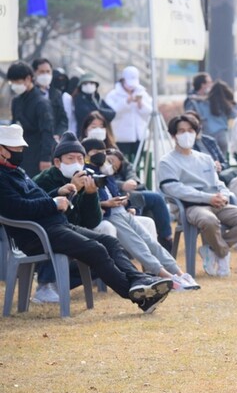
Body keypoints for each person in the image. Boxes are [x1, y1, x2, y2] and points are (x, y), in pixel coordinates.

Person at [0, 124, 173, 313]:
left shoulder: (16, 171)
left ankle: (139, 280)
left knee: (109, 242)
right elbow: (16, 208)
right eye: (17, 149)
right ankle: (137, 295)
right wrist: (53, 203)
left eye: (21, 148)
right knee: (96, 250)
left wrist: (58, 192)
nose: (21, 152)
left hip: (55, 225)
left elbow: (34, 200)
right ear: (2, 150)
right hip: (36, 234)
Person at [82, 138, 200, 291]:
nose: (101, 156)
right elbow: (90, 201)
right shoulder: (86, 173)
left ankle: (179, 272)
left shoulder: (104, 171)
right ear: (86, 155)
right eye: (96, 152)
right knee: (139, 245)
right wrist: (107, 203)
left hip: (121, 211)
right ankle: (167, 277)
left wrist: (125, 202)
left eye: (102, 152)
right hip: (109, 215)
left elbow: (116, 192)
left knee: (150, 242)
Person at [158, 114, 237, 277]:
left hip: (216, 203)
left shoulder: (205, 159)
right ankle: (223, 254)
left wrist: (224, 195)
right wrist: (207, 198)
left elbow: (218, 183)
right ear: (173, 135)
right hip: (190, 207)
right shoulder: (167, 162)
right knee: (209, 221)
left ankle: (212, 250)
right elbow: (175, 189)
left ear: (196, 132)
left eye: (190, 130)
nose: (186, 134)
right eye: (181, 131)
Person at [30, 132, 115, 304]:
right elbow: (50, 216)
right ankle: (46, 285)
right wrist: (72, 190)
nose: (76, 163)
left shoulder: (86, 178)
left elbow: (91, 222)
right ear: (57, 162)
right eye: (70, 158)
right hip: (45, 236)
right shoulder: (44, 180)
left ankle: (60, 283)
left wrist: (91, 195)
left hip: (75, 233)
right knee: (61, 236)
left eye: (80, 159)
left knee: (106, 254)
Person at [106, 149, 174, 252]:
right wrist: (122, 185)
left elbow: (133, 176)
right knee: (139, 199)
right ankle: (138, 241)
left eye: (113, 161)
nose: (111, 164)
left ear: (120, 162)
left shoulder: (125, 166)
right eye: (108, 160)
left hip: (135, 193)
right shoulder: (102, 169)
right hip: (121, 198)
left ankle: (166, 237)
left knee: (156, 198)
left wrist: (132, 182)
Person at [7, 61, 55, 177]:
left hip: (37, 153)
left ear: (28, 79)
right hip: (20, 154)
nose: (14, 85)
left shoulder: (41, 103)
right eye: (12, 82)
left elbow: (47, 132)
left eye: (17, 82)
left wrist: (45, 158)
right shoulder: (16, 101)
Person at [104, 66, 152, 160]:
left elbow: (149, 113)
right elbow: (111, 112)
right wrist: (126, 102)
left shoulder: (142, 93)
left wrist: (140, 104)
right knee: (122, 160)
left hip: (139, 135)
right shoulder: (113, 95)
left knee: (138, 160)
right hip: (121, 136)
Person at [32, 58, 69, 139]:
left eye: (48, 71)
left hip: (53, 141)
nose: (45, 75)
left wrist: (58, 134)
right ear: (34, 73)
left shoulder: (56, 94)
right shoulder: (29, 94)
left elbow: (63, 119)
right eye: (42, 72)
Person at [205, 80, 237, 157]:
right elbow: (234, 115)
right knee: (222, 161)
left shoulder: (206, 103)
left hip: (209, 135)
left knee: (211, 161)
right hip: (223, 134)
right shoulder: (226, 105)